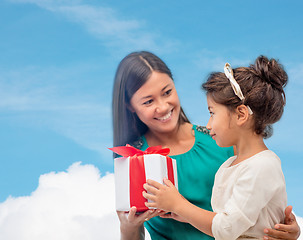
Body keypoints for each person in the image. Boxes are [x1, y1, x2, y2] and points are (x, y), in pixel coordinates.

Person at [112, 51, 301, 240]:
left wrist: (286, 228)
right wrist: (127, 228)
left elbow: (258, 201)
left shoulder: (222, 140)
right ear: (130, 106)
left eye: (167, 92)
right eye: (148, 101)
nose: (162, 107)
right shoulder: (134, 160)